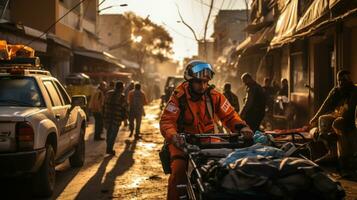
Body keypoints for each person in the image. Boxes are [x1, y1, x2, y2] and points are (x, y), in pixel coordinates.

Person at [160, 60, 253, 200]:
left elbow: (230, 115)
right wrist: (174, 136)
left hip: (208, 141)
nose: (202, 86)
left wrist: (242, 127)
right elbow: (167, 121)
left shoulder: (214, 96)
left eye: (205, 82)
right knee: (179, 171)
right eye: (198, 82)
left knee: (224, 168)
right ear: (190, 80)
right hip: (182, 143)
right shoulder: (178, 97)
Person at [310, 70, 357, 173]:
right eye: (339, 80)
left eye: (343, 80)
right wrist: (315, 117)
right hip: (339, 115)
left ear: (349, 80)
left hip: (350, 120)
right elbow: (325, 104)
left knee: (337, 124)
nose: (341, 83)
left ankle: (344, 161)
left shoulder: (354, 90)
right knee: (322, 119)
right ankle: (332, 151)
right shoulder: (336, 90)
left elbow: (350, 110)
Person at [103, 81, 128, 155]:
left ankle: (109, 147)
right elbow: (125, 107)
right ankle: (109, 149)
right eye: (123, 87)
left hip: (107, 117)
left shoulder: (108, 93)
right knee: (113, 135)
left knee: (108, 133)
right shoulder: (121, 96)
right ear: (121, 88)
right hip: (116, 118)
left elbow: (104, 104)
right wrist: (125, 118)